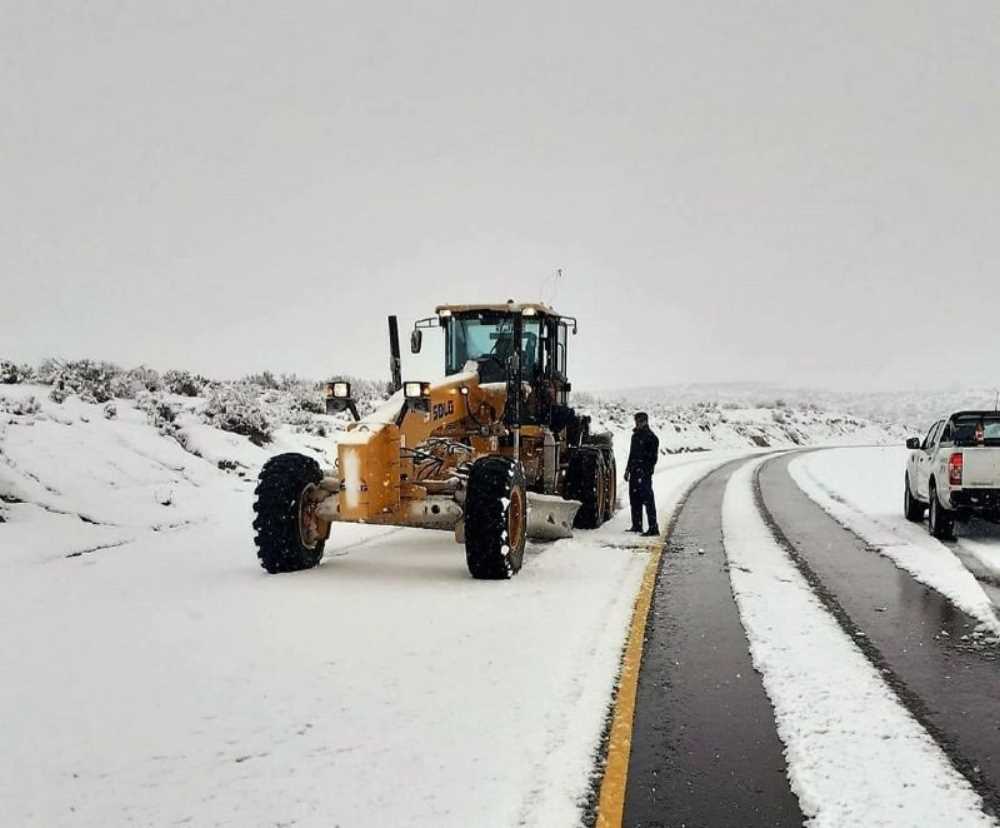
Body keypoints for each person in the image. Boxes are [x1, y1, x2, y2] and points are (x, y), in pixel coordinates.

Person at [625, 412, 659, 536]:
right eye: (636, 421)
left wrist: (646, 471)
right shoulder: (635, 436)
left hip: (644, 474)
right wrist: (627, 470)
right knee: (635, 499)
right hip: (634, 472)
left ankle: (653, 527)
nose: (637, 424)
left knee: (648, 500)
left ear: (644, 421)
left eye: (638, 421)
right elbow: (631, 454)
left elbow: (653, 458)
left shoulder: (652, 438)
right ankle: (637, 525)